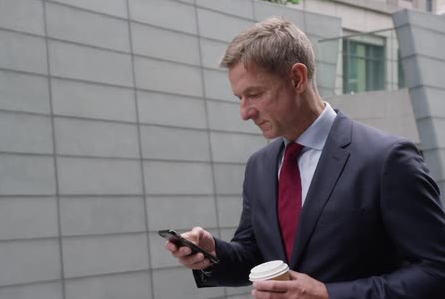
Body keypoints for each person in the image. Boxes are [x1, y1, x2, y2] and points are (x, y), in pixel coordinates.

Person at [165, 16, 445, 298]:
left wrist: (329, 294)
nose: (245, 112)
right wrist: (214, 253)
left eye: (255, 94)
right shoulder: (259, 167)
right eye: (240, 98)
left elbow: (436, 271)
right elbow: (256, 255)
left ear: (297, 78)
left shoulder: (388, 160)